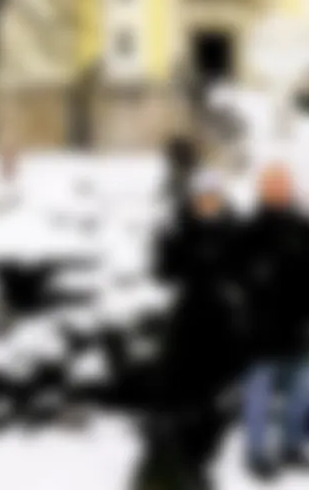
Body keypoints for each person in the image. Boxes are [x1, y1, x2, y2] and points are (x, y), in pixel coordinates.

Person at [132, 166, 246, 489]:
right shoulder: (182, 230)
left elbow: (245, 270)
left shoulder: (233, 231)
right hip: (188, 327)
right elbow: (164, 269)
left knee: (216, 407)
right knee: (181, 402)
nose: (208, 203)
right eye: (202, 198)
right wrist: (166, 237)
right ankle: (177, 465)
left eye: (213, 197)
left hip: (223, 329)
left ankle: (200, 462)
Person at [237, 163, 309, 479]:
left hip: (298, 330)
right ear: (262, 190)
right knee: (259, 399)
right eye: (272, 185)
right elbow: (233, 277)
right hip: (260, 332)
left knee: (299, 397)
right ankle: (255, 453)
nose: (278, 190)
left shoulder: (302, 226)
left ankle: (291, 447)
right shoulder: (249, 229)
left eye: (283, 185)